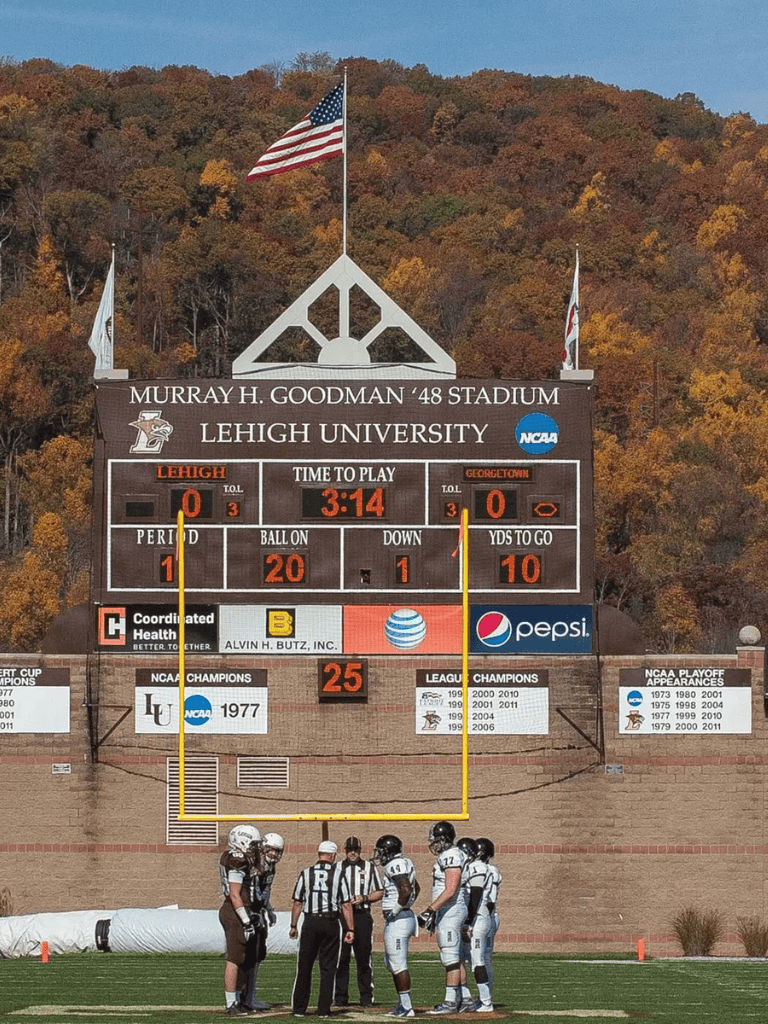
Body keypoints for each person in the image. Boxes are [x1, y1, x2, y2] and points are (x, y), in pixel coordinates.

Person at [290, 839, 355, 1018]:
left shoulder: (305, 873)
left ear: (319, 854)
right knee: (328, 968)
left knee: (304, 967)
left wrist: (293, 925)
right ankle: (324, 1010)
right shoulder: (339, 874)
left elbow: (297, 902)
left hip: (310, 922)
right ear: (333, 855)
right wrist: (350, 929)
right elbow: (346, 905)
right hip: (330, 923)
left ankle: (299, 1009)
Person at [417, 820, 470, 1015]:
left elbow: (450, 889)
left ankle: (449, 1002)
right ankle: (466, 998)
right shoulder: (451, 854)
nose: (433, 844)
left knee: (449, 957)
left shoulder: (451, 855)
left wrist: (430, 909)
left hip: (451, 910)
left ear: (444, 839)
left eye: (436, 840)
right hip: (450, 910)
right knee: (454, 957)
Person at [218, 824, 265, 1017]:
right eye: (253, 844)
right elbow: (235, 894)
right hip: (235, 910)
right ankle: (231, 1003)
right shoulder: (236, 859)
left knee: (245, 958)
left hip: (241, 910)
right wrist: (245, 920)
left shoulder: (240, 858)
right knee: (235, 959)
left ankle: (239, 999)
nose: (256, 848)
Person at [373, 833, 420, 1018]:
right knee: (391, 962)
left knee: (398, 964)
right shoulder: (405, 862)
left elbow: (406, 889)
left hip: (398, 920)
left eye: (381, 852)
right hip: (403, 917)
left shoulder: (395, 864)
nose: (379, 856)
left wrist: (396, 909)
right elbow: (417, 888)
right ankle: (403, 1003)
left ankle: (407, 1007)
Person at [334, 836, 384, 1007]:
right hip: (341, 917)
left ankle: (366, 997)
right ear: (345, 850)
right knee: (342, 958)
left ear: (360, 850)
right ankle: (340, 997)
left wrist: (364, 897)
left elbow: (379, 891)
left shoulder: (369, 867)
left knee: (364, 958)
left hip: (362, 914)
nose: (353, 852)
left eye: (355, 849)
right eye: (350, 849)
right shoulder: (337, 867)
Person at [240, 831, 285, 1012]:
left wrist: (268, 909)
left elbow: (265, 891)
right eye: (271, 850)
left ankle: (250, 996)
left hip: (258, 913)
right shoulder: (254, 864)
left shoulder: (270, 867)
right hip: (249, 913)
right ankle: (241, 998)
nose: (274, 854)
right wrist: (252, 912)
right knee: (246, 958)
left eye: (277, 851)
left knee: (257, 957)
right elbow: (251, 891)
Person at [455, 837, 488, 1013]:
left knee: (477, 961)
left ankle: (486, 1002)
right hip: (470, 917)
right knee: (460, 958)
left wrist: (468, 921)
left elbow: (476, 893)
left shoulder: (476, 867)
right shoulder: (468, 867)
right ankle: (466, 998)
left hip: (477, 918)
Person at [472, 837, 502, 1012]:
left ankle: (485, 1001)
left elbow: (488, 899)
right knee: (486, 959)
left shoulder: (482, 869)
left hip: (484, 915)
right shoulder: (494, 870)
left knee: (477, 960)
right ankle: (485, 997)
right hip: (491, 915)